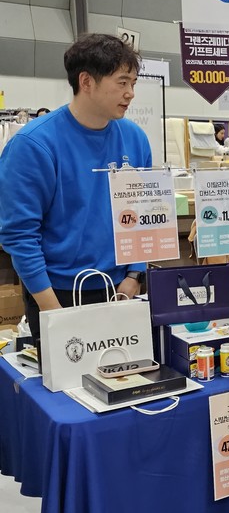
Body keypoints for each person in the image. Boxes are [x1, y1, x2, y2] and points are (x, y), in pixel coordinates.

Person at [0, 34, 151, 344]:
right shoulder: (33, 145)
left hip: (120, 289)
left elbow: (143, 213)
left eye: (134, 83)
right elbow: (19, 234)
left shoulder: (135, 139)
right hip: (56, 292)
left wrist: (134, 276)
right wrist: (53, 311)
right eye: (122, 83)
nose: (130, 93)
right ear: (86, 81)